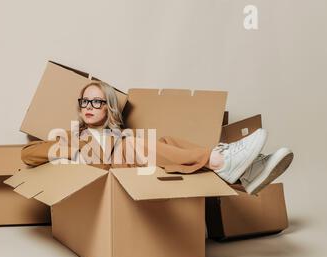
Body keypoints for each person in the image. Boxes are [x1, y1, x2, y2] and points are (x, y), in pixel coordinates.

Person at [21, 81, 293, 195]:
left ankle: (242, 176)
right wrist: (70, 147)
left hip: (130, 171)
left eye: (97, 101)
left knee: (168, 141)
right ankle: (220, 161)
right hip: (96, 178)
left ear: (109, 107)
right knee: (134, 144)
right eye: (85, 102)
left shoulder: (119, 134)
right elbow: (27, 154)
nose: (89, 107)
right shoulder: (74, 136)